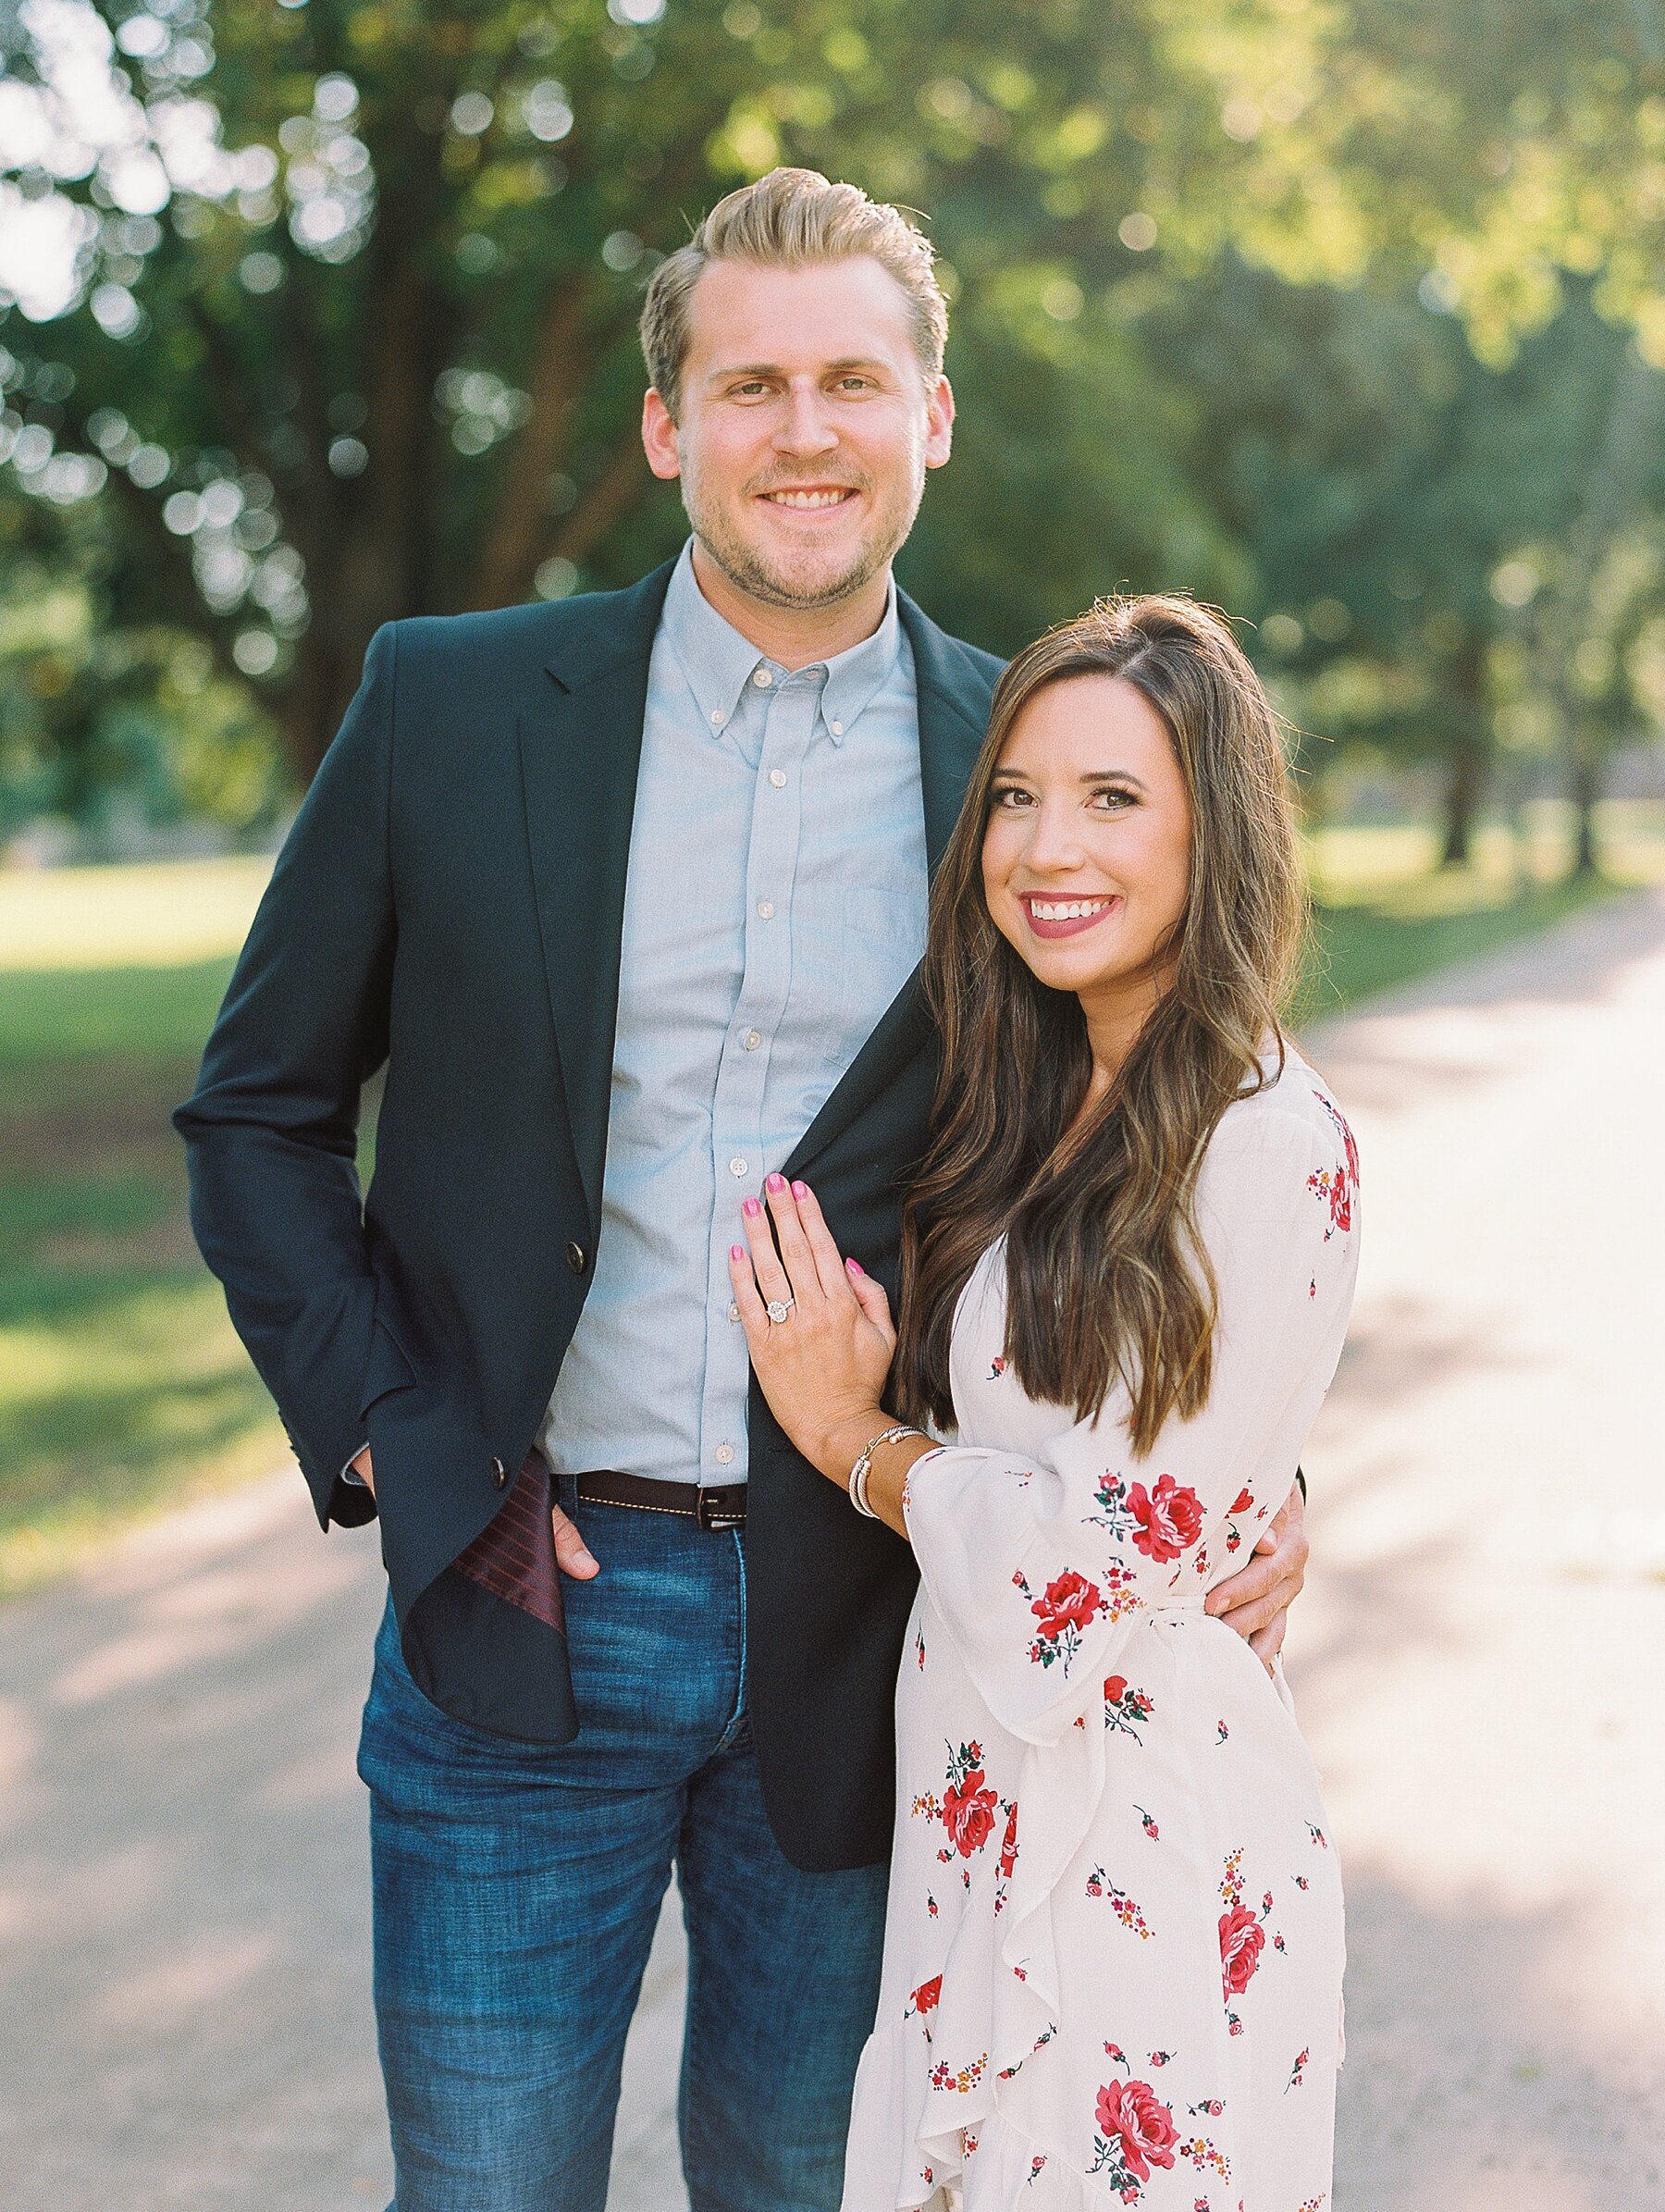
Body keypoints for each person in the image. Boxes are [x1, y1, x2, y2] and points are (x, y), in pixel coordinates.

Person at [174, 168, 1312, 2212]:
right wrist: (405, 1440)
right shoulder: (446, 703)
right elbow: (254, 1109)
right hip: (525, 1610)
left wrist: (1250, 1476)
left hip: (882, 1633)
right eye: (754, 382)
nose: (807, 430)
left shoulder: (1017, 764)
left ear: (932, 414)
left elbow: (1161, 1146)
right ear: (665, 424)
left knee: (812, 2179)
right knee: (491, 2187)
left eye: (854, 381)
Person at [730, 595, 1356, 2210]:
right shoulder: (1034, 1091)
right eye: (1016, 795)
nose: (1043, 847)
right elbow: (1140, 1445)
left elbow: (1073, 1582)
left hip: (1131, 1842)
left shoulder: (1270, 1139)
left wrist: (852, 1440)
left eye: (1112, 799)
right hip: (979, 1818)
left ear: (1217, 833)